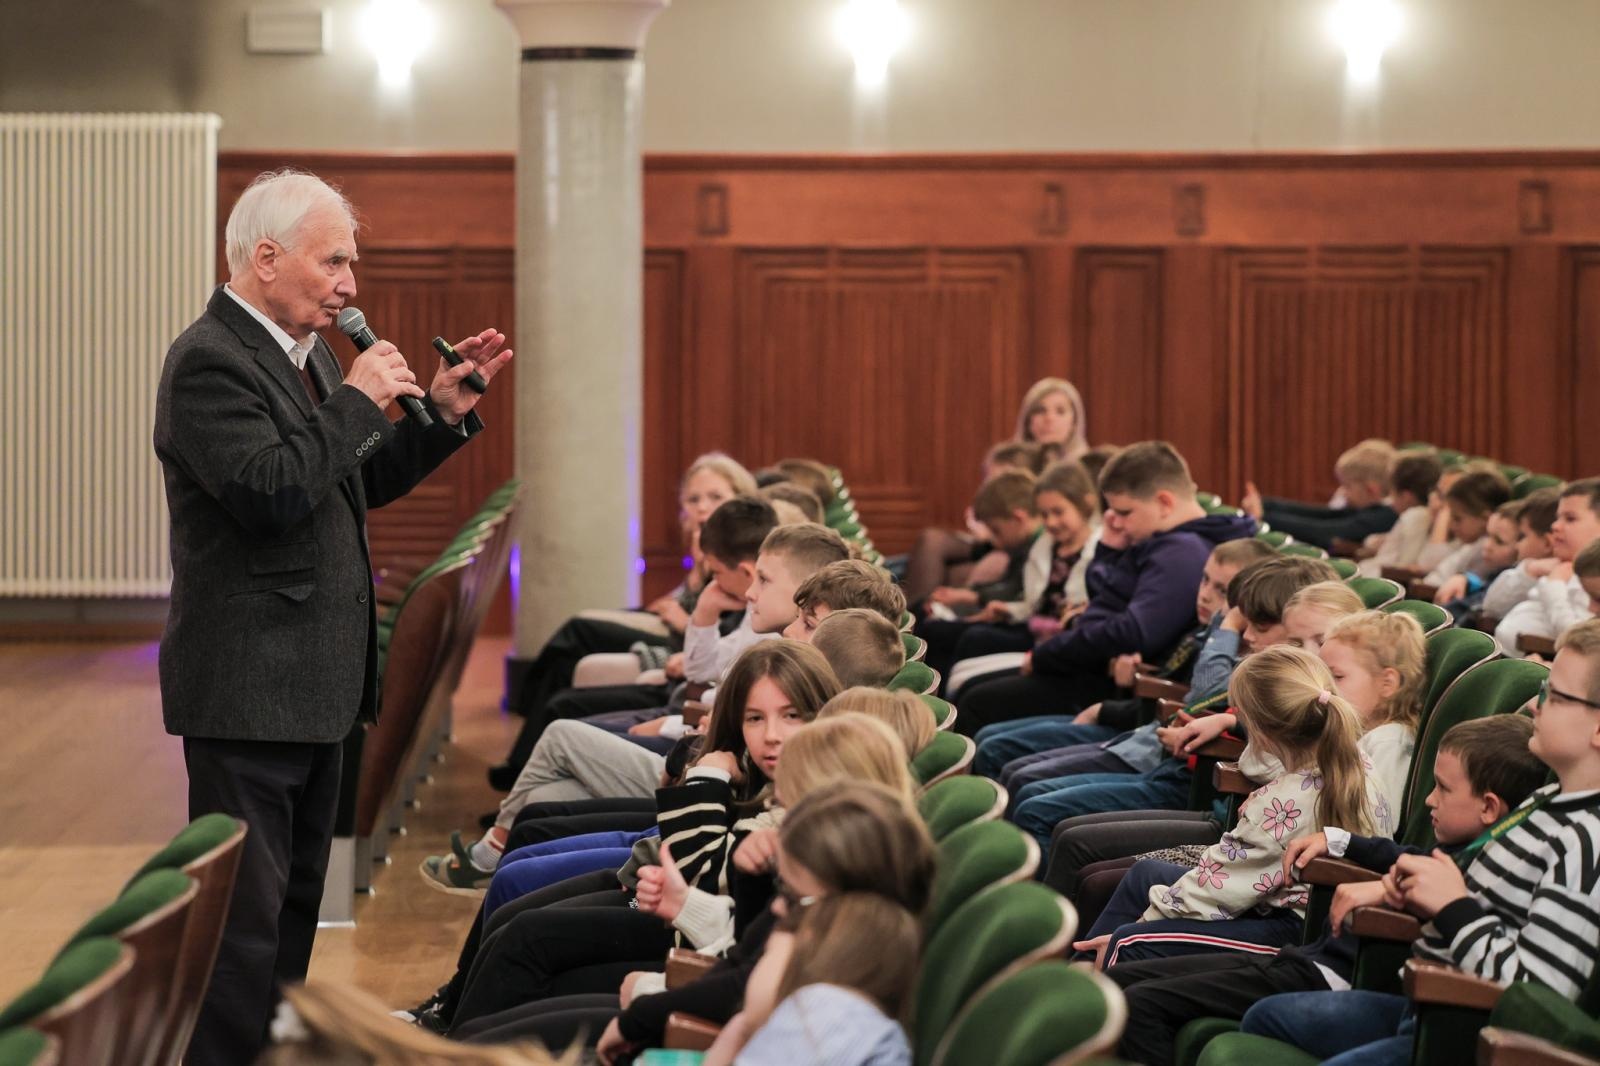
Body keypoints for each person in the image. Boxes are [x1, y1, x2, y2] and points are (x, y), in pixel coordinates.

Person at [153, 168, 511, 1064]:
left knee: (291, 915)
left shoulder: (303, 351)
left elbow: (351, 483)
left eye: (352, 262)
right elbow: (268, 494)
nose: (351, 284)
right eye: (335, 260)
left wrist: (435, 414)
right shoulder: (208, 361)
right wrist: (357, 398)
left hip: (314, 685)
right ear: (266, 258)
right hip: (249, 690)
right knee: (241, 933)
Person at [1236, 618, 1600, 1065]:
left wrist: (1452, 908)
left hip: (1467, 1036)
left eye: (1555, 696)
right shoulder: (1549, 799)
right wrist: (1398, 886)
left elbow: (1535, 1001)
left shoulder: (1585, 844)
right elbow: (1456, 876)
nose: (1534, 706)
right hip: (1424, 1006)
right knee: (1265, 1018)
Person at [1102, 715, 1548, 1066]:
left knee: (1142, 996)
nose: (1429, 800)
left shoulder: (1472, 862)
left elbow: (1435, 889)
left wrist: (1385, 887)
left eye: (1443, 790)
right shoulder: (1460, 847)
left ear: (1489, 807)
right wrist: (1342, 841)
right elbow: (1402, 854)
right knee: (1128, 975)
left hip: (1335, 969)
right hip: (1314, 956)